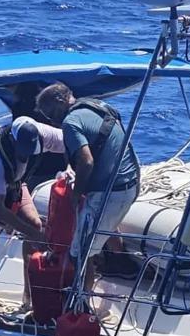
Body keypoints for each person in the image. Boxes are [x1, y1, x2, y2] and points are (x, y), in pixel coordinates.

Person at [35, 83, 140, 292]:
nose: (51, 120)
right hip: (132, 182)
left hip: (112, 193)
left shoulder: (70, 122)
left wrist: (76, 193)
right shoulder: (96, 106)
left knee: (79, 253)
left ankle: (81, 305)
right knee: (101, 225)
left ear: (60, 101)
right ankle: (119, 263)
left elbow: (87, 161)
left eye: (50, 114)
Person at [0, 116, 64, 325]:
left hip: (13, 182)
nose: (26, 156)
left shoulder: (41, 133)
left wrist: (72, 168)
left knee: (35, 224)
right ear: (13, 140)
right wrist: (33, 235)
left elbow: (72, 143)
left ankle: (30, 298)